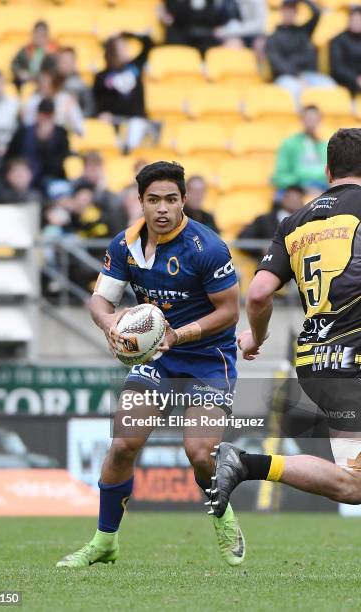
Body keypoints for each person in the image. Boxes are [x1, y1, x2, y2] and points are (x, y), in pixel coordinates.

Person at [56, 161, 246, 568]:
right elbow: (100, 300)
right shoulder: (124, 245)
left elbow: (230, 311)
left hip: (208, 359)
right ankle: (105, 541)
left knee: (199, 452)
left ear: (184, 201)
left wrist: (181, 334)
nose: (163, 208)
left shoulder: (206, 247)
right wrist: (110, 325)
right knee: (123, 443)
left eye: (171, 200)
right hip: (156, 358)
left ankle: (222, 514)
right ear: (140, 201)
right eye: (153, 200)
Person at [207, 128, 361, 517]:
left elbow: (258, 293)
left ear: (328, 171)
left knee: (354, 482)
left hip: (318, 364)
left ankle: (247, 463)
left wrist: (256, 338)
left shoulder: (294, 222)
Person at [266, 0, 334, 106]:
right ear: (281, 12)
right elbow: (277, 63)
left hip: (310, 75)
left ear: (296, 12)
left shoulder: (304, 31)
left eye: (292, 11)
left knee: (329, 86)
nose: (289, 14)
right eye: (286, 11)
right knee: (295, 90)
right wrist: (297, 76)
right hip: (287, 77)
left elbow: (317, 13)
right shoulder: (273, 38)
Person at [93, 32, 153, 152]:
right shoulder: (102, 76)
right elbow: (98, 101)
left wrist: (129, 34)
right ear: (112, 52)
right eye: (122, 47)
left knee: (138, 126)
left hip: (136, 120)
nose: (127, 49)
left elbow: (148, 43)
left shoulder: (135, 67)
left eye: (126, 46)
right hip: (115, 121)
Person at [5, 98, 69, 190]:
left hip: (50, 177)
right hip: (23, 175)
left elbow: (59, 163)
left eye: (49, 116)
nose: (45, 119)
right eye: (43, 115)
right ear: (37, 115)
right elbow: (11, 155)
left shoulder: (61, 134)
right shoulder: (23, 132)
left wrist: (44, 143)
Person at [237, 185, 304, 261]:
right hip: (269, 265)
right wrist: (261, 249)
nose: (294, 201)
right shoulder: (264, 220)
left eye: (297, 198)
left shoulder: (306, 221)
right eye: (291, 198)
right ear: (283, 199)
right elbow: (243, 239)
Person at [273, 105, 328, 193]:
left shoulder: (324, 145)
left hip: (322, 189)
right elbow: (280, 177)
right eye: (309, 119)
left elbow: (328, 174)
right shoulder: (289, 144)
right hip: (296, 189)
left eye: (315, 120)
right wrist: (300, 184)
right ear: (302, 120)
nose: (312, 123)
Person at [159, 0, 239, 55]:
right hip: (181, 34)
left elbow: (214, 19)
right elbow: (174, 17)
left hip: (207, 35)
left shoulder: (212, 3)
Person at [22, 69, 84, 136]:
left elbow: (79, 127)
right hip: (37, 138)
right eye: (42, 84)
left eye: (48, 84)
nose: (45, 87)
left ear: (55, 84)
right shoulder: (34, 101)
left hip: (63, 137)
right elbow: (27, 124)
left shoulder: (66, 100)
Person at [11, 21, 57, 90]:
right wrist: (20, 72)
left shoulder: (53, 51)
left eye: (42, 35)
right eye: (37, 34)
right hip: (26, 83)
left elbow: (54, 72)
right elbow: (14, 63)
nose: (39, 38)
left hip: (45, 85)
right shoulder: (26, 50)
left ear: (47, 36)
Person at [330, 6, 361, 96]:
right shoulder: (338, 40)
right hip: (346, 80)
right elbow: (337, 67)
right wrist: (355, 78)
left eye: (359, 20)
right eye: (354, 20)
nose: (357, 23)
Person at [56, 47, 95, 117]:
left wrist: (75, 117)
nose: (64, 64)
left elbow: (89, 110)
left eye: (67, 61)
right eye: (62, 61)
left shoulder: (82, 85)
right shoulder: (51, 84)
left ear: (74, 63)